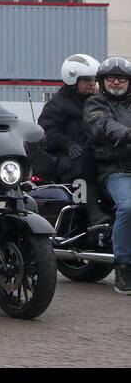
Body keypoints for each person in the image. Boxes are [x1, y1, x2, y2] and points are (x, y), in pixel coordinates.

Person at [83, 55, 131, 295]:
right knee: (129, 207)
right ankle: (123, 268)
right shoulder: (95, 103)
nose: (117, 82)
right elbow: (102, 125)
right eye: (111, 78)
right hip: (114, 170)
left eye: (121, 78)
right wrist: (125, 133)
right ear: (103, 81)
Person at [33, 54, 99, 185]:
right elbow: (46, 132)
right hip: (69, 161)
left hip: (95, 155)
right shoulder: (57, 104)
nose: (91, 84)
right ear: (72, 80)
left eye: (93, 80)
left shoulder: (97, 102)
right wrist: (68, 144)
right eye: (86, 80)